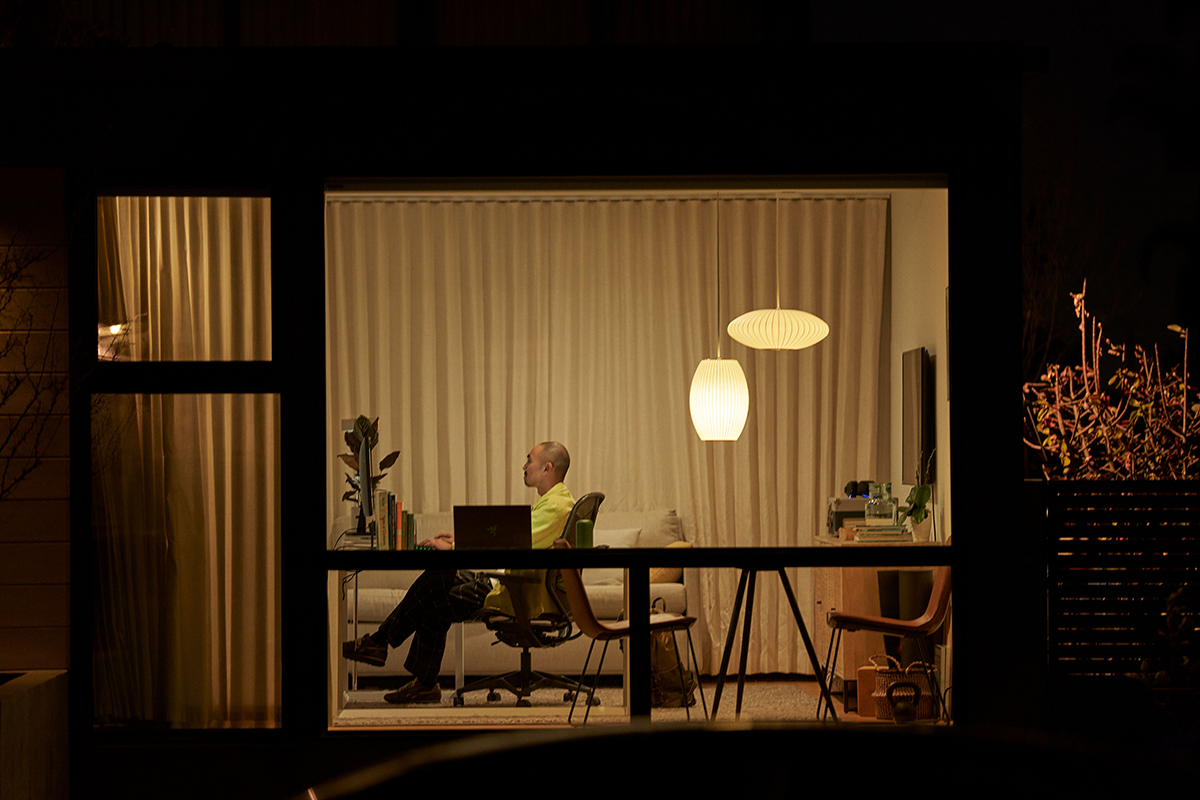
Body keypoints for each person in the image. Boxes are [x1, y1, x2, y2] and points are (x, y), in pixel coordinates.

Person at [342, 441, 576, 704]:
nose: (524, 466)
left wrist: (454, 546)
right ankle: (412, 673)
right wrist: (459, 538)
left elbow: (512, 541)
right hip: (510, 582)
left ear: (547, 468)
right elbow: (510, 534)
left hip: (518, 592)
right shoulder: (555, 502)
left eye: (529, 460)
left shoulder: (556, 506)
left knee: (436, 588)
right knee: (438, 584)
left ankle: (383, 646)